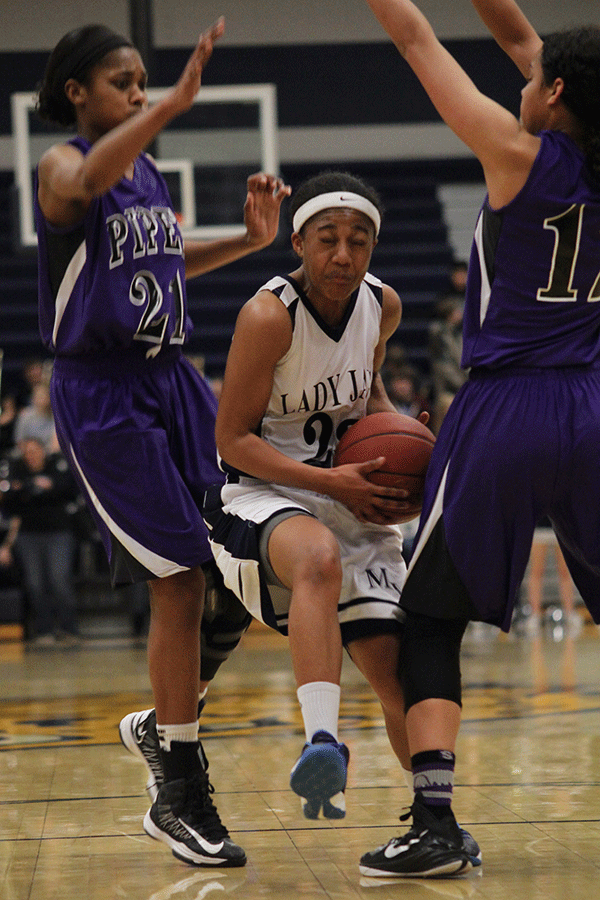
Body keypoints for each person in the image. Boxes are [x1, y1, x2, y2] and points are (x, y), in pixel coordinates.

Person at [34, 19, 288, 868]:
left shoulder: (143, 172)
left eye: (146, 81)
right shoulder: (65, 168)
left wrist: (249, 244)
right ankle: (179, 790)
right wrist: (177, 102)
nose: (140, 92)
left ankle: (159, 725)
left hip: (173, 380)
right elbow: (86, 173)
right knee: (177, 578)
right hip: (103, 391)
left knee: (237, 568)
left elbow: (167, 257)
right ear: (78, 91)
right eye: (123, 81)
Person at [360, 0, 600, 878]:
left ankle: (433, 822)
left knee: (429, 616)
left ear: (558, 93)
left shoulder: (516, 155)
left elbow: (417, 38)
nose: (521, 79)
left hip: (505, 409)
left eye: (535, 79)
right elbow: (526, 40)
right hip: (592, 403)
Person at [201, 169, 477, 870]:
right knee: (317, 556)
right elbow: (231, 440)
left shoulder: (382, 305)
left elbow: (368, 392)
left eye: (359, 241)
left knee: (395, 673)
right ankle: (321, 740)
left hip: (344, 490)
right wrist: (330, 482)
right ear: (299, 241)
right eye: (328, 239)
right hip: (261, 493)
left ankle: (435, 825)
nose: (344, 255)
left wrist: (393, 429)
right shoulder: (269, 316)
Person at [0, 438, 80, 645]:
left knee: (59, 579)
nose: (31, 456)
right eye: (27, 452)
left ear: (43, 451)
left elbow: (71, 490)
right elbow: (10, 499)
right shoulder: (17, 470)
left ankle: (69, 629)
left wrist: (48, 486)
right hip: (28, 535)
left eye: (35, 451)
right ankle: (44, 630)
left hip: (58, 532)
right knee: (35, 584)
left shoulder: (58, 466)